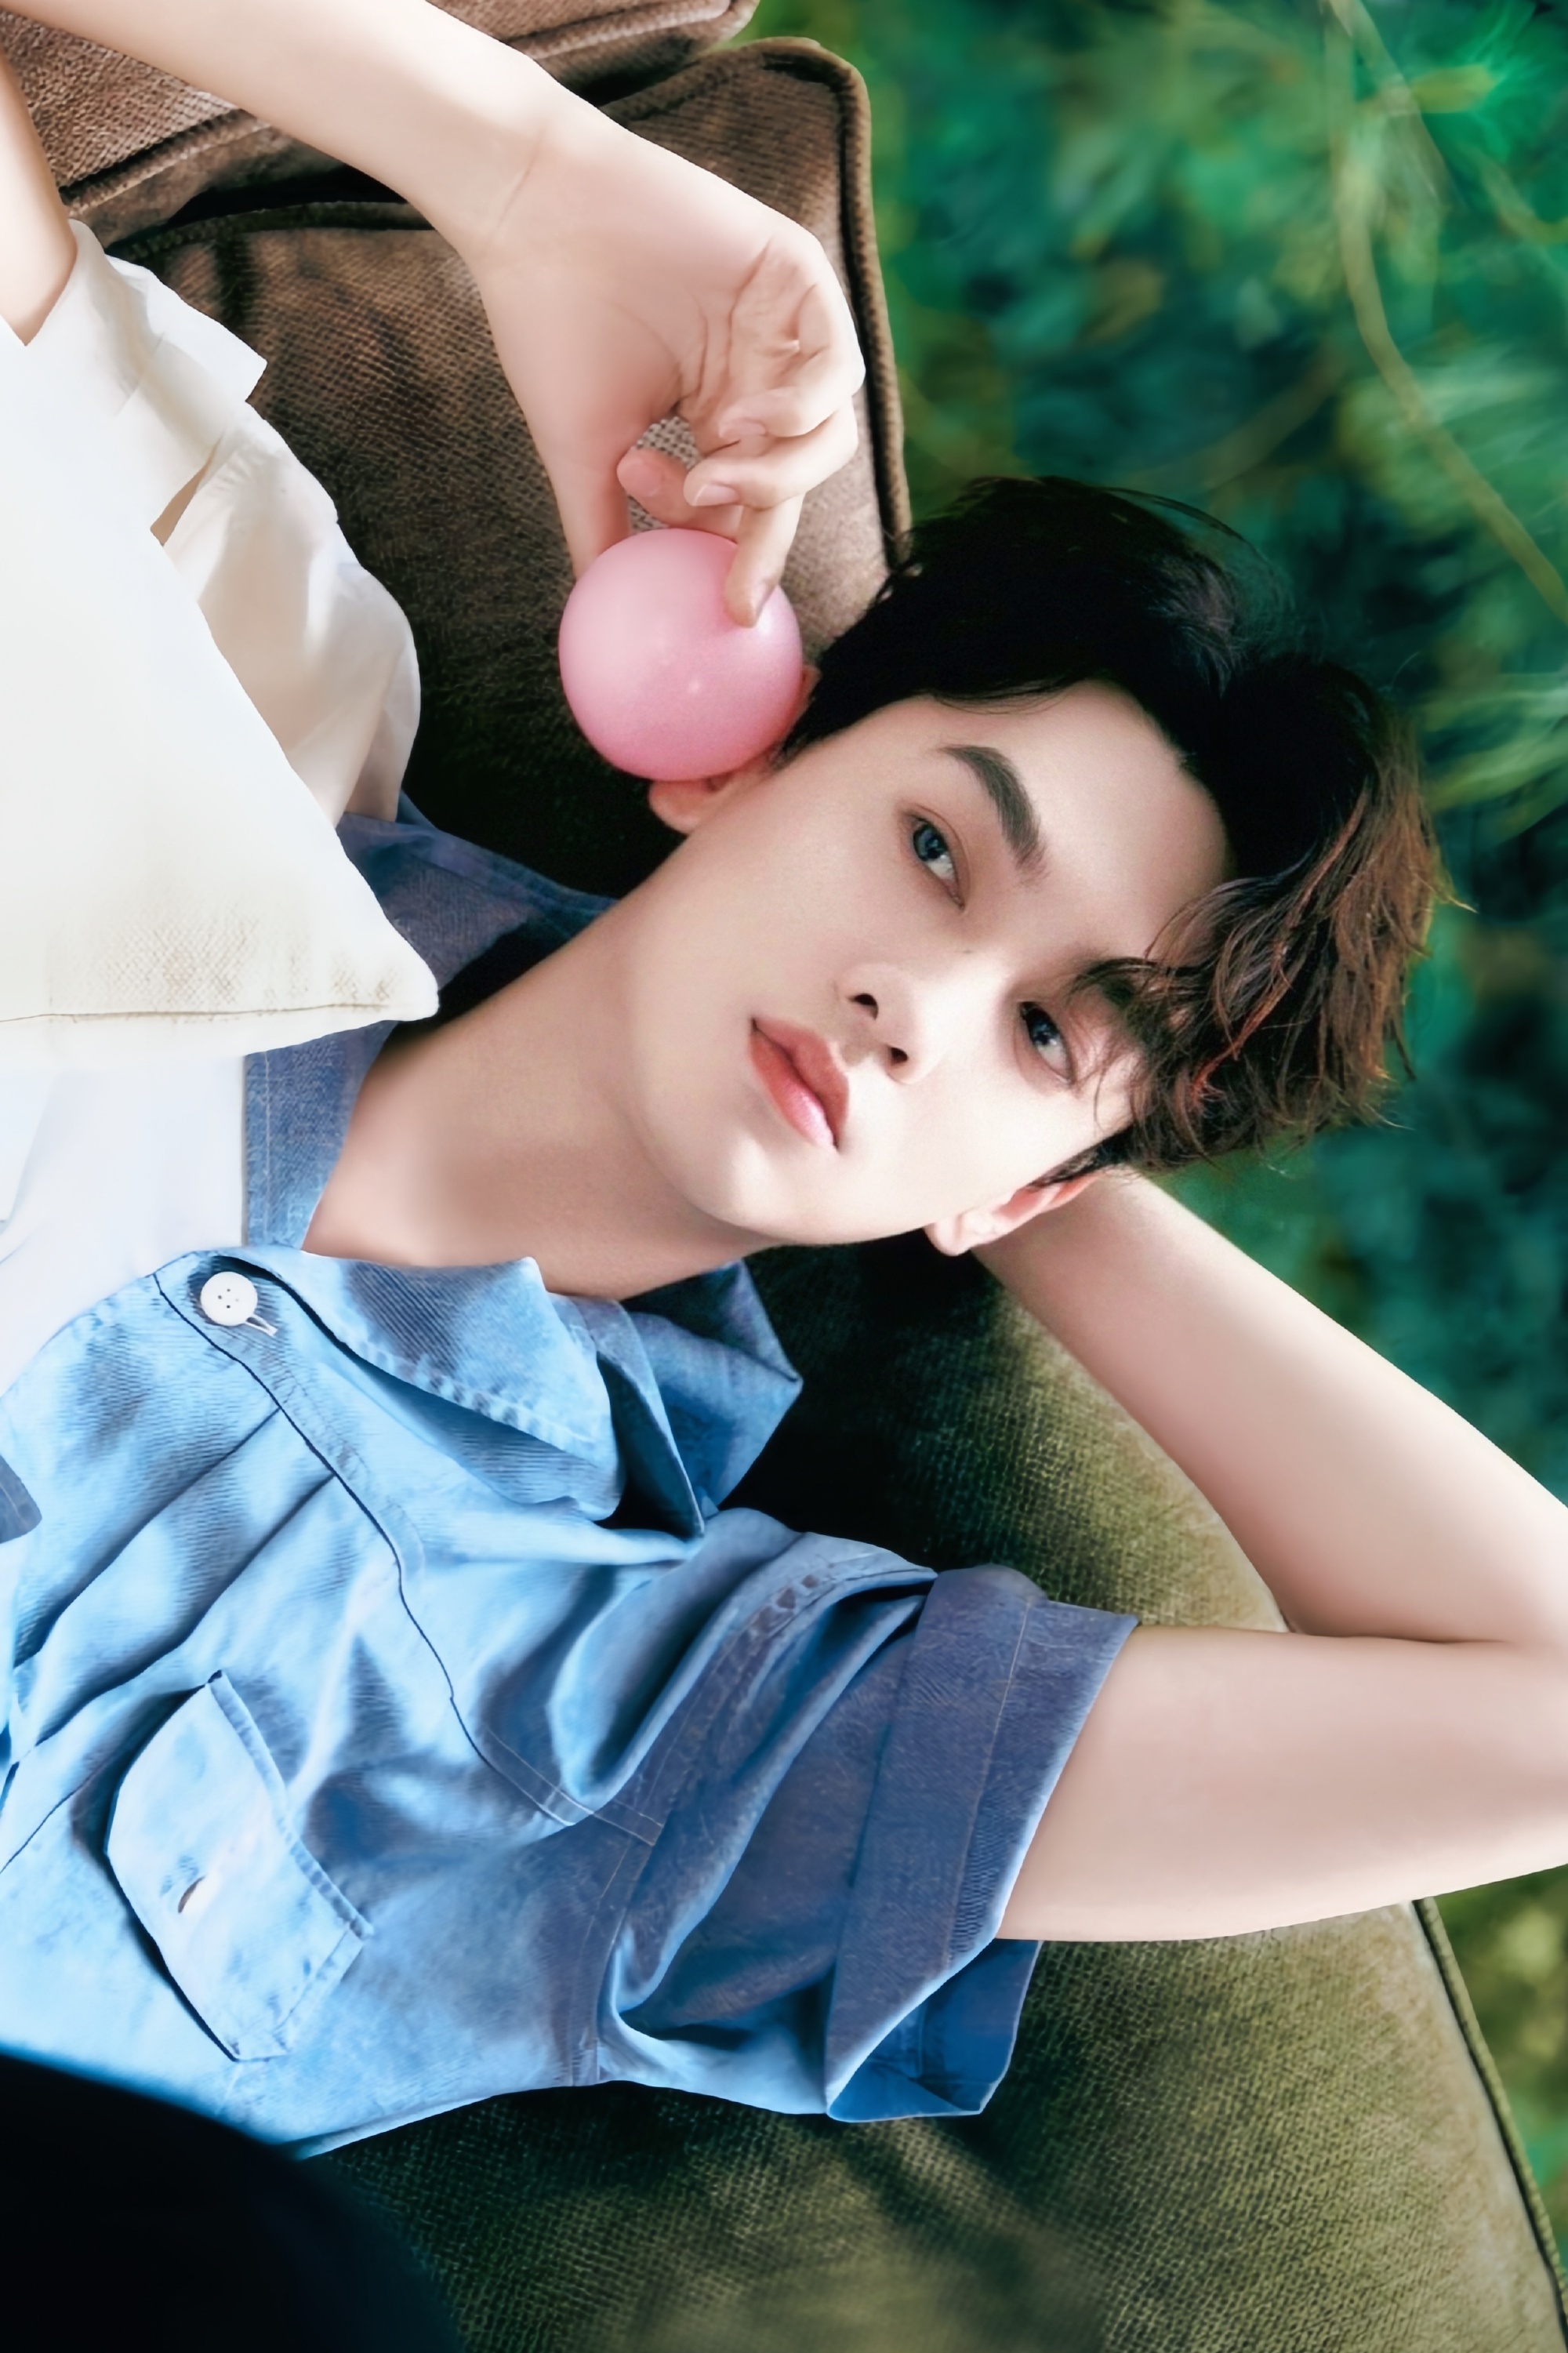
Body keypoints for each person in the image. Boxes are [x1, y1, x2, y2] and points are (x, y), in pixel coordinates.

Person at [3, 1, 1568, 2164]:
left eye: (1047, 1025)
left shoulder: (649, 1715)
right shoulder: (259, 693)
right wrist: (531, 181)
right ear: (745, 754)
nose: (918, 1001)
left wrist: (1049, 1182)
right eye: (934, 847)